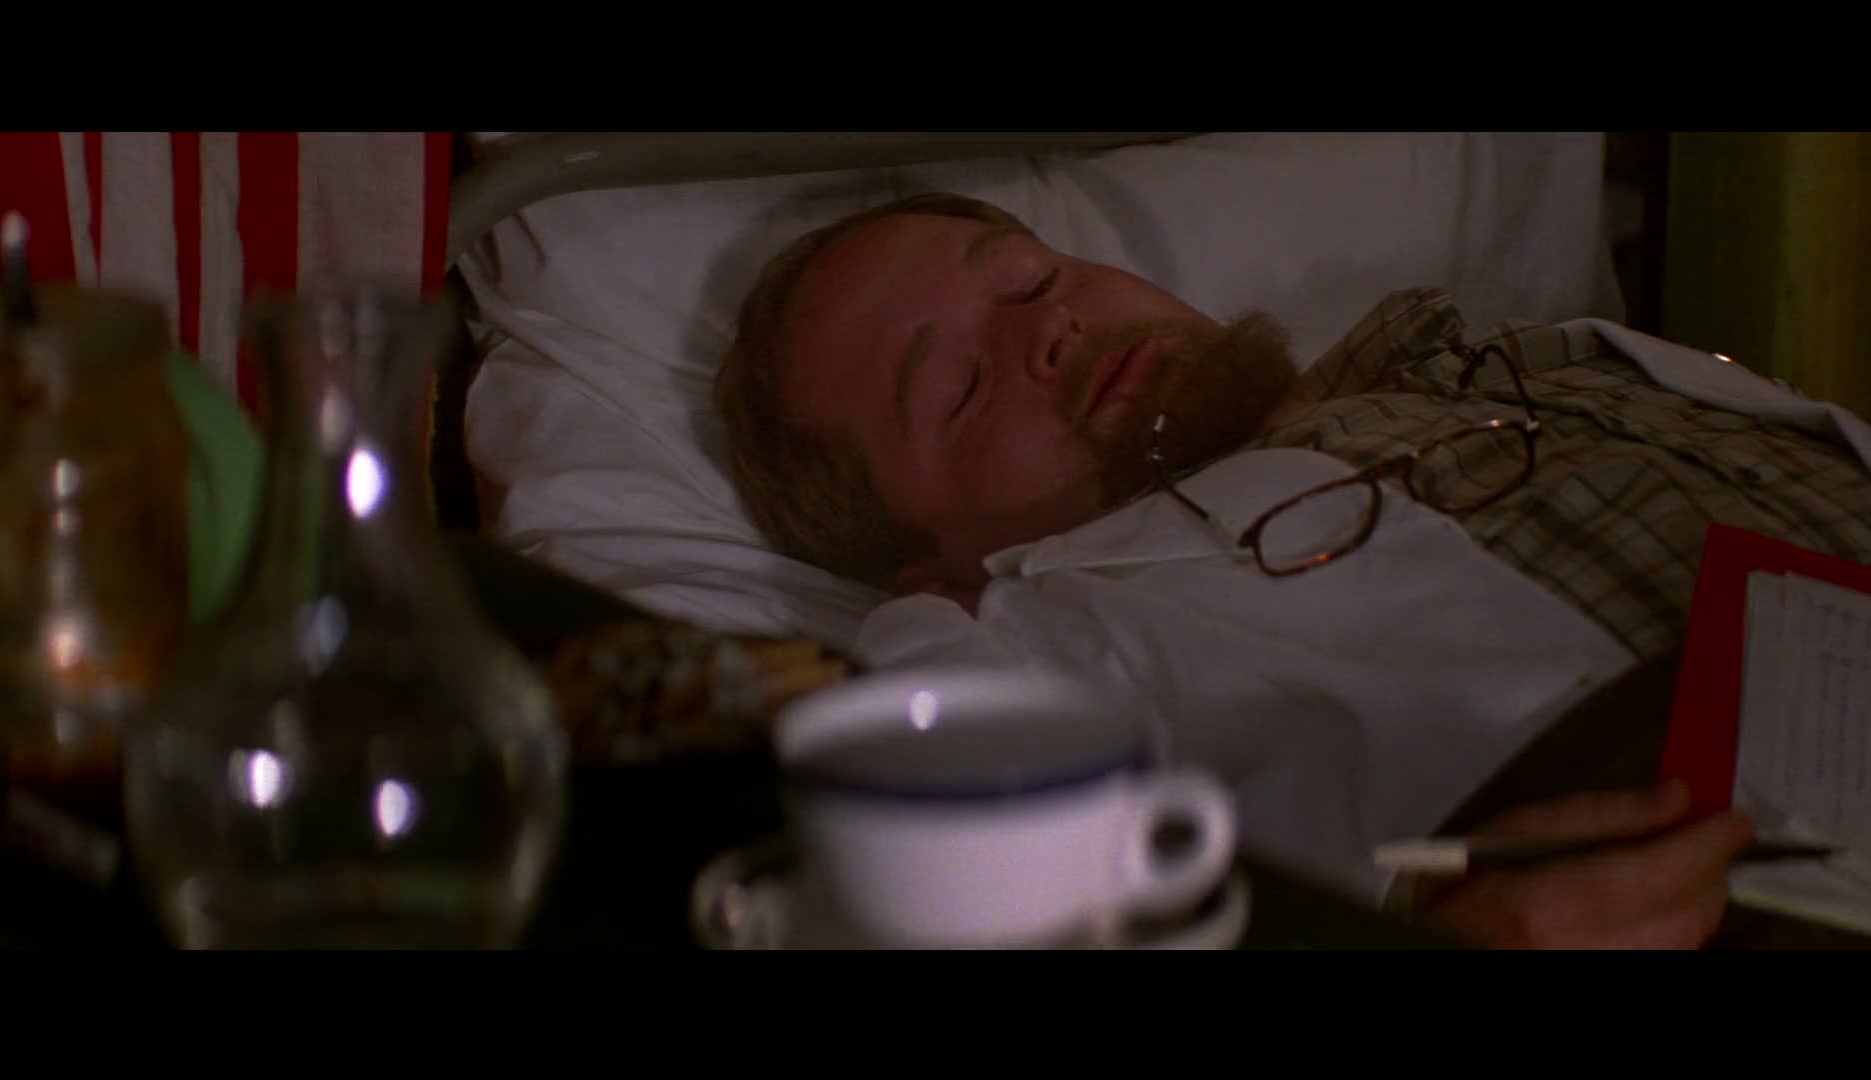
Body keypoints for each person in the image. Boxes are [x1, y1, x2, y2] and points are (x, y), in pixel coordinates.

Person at [712, 192, 1871, 949]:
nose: (1046, 332)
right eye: (958, 390)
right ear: (931, 570)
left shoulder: (1498, 359)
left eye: (1028, 279)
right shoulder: (1041, 632)